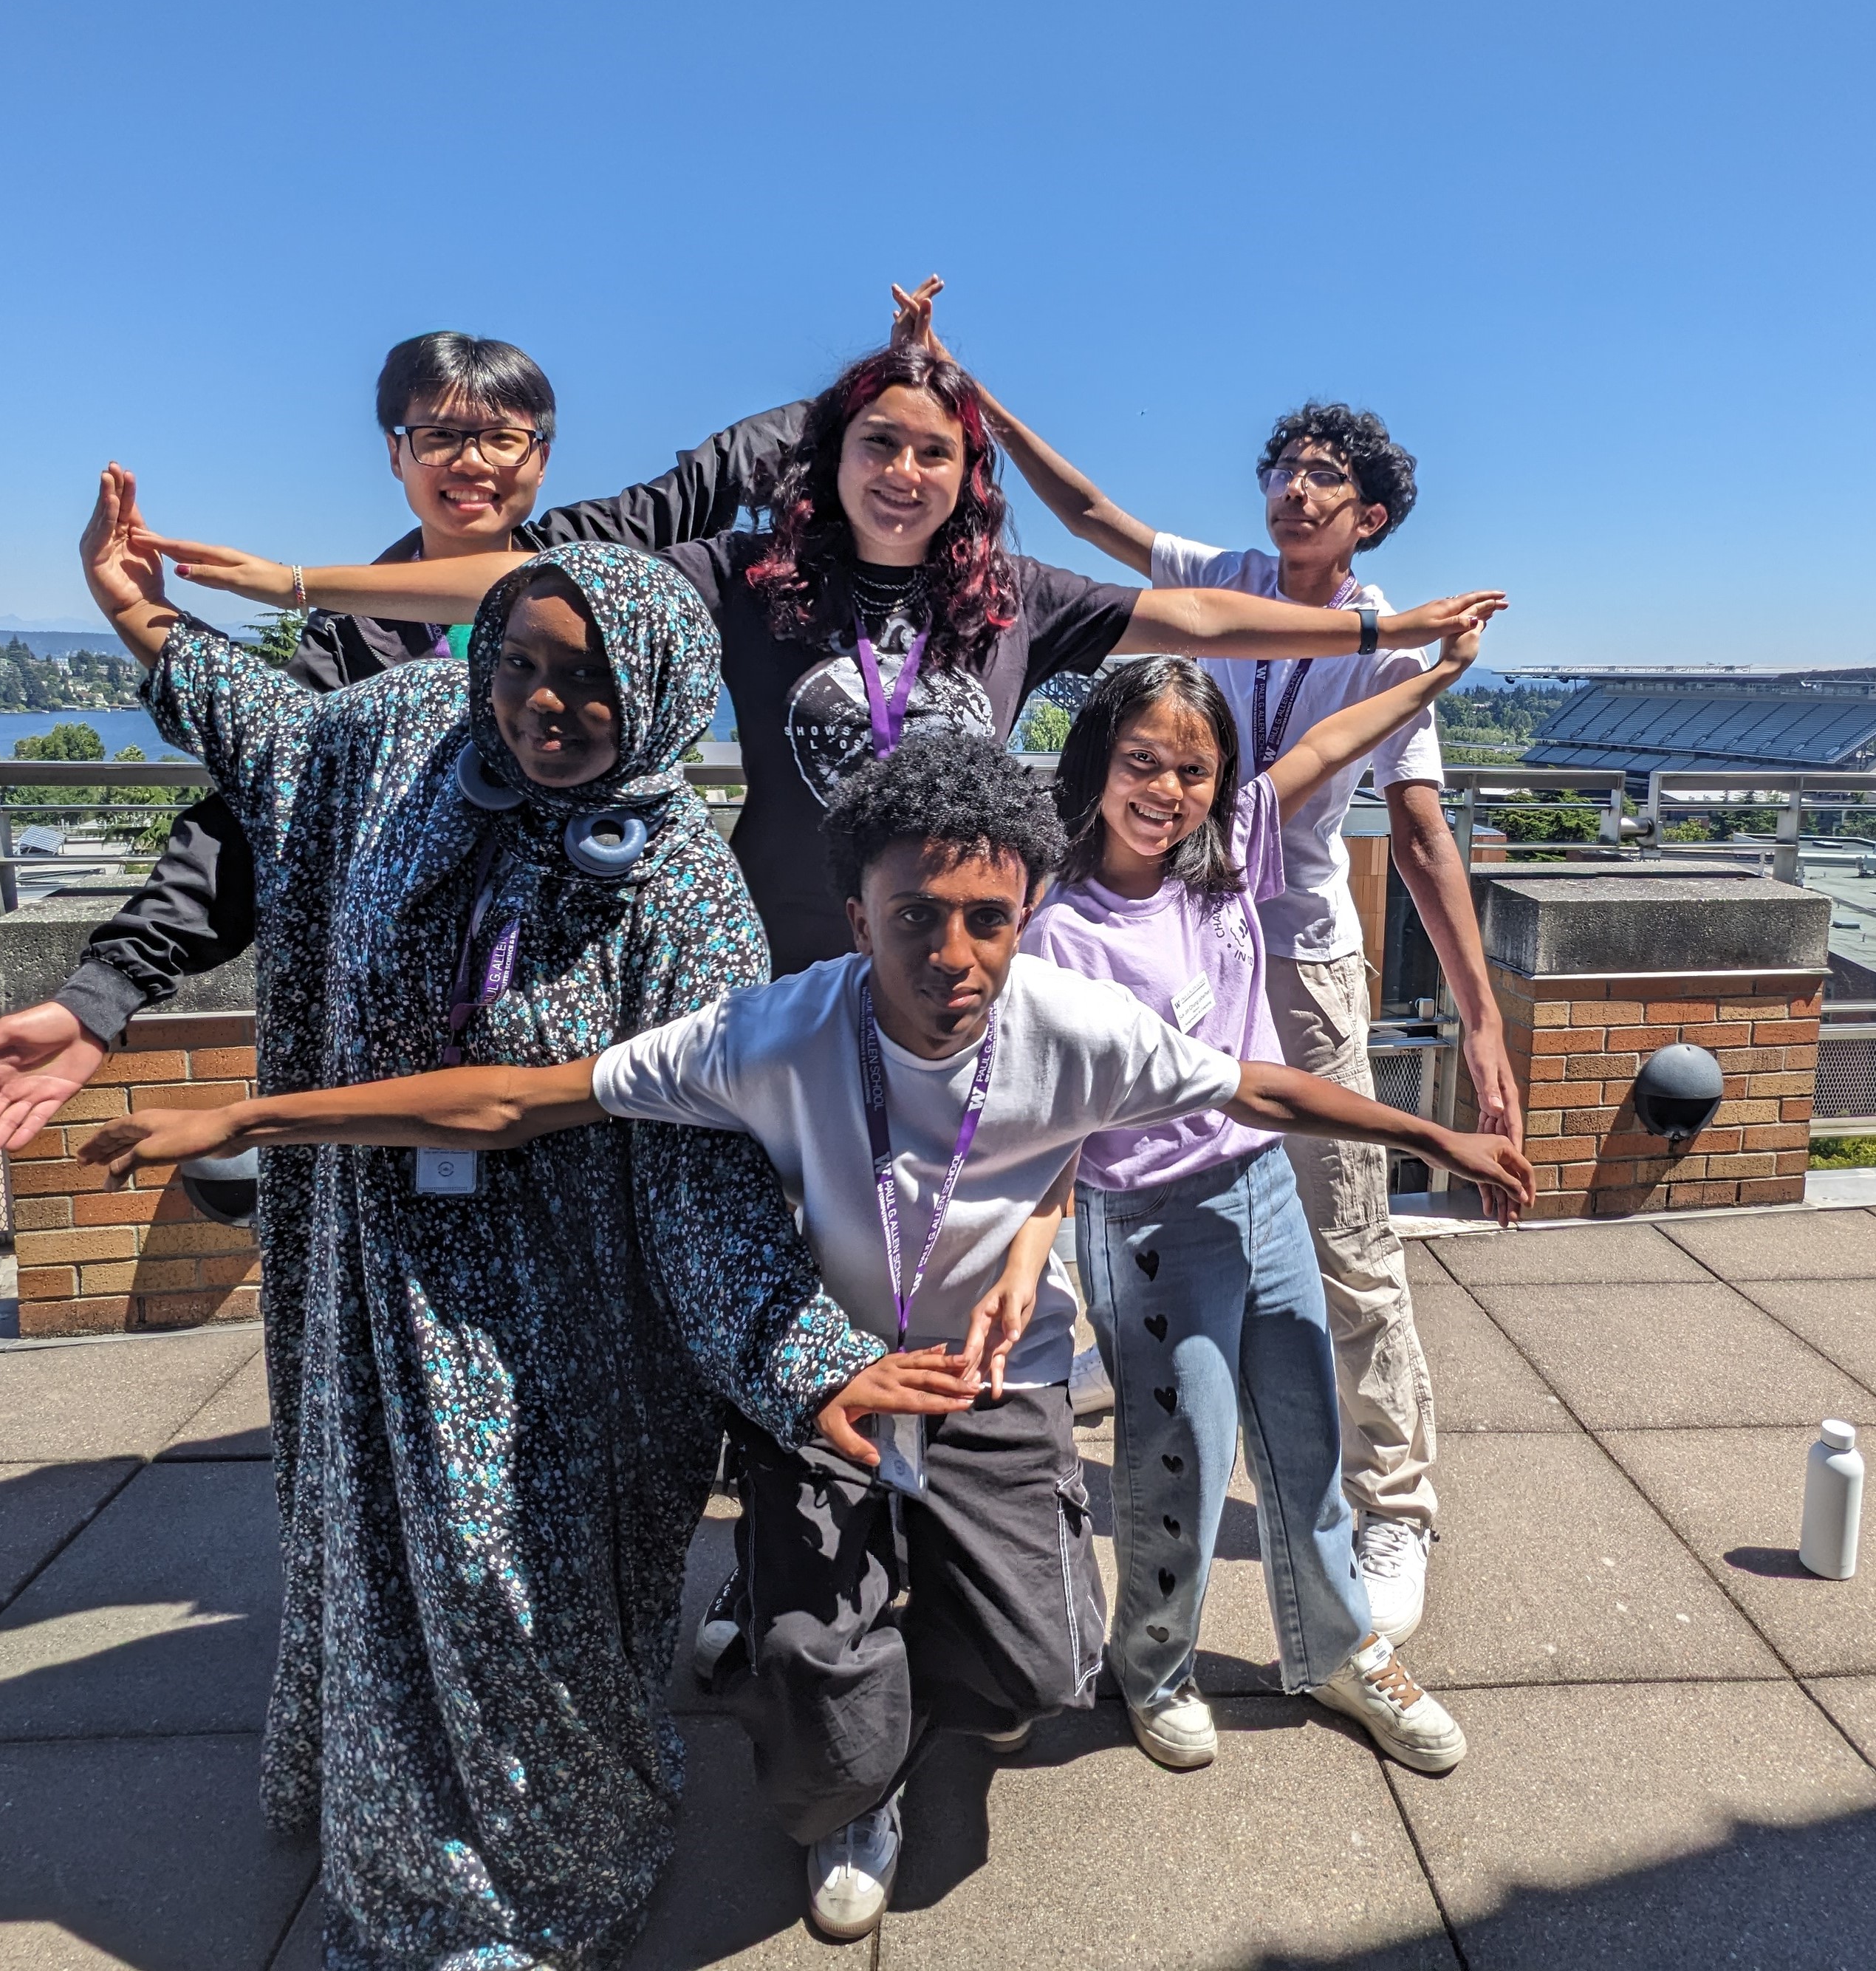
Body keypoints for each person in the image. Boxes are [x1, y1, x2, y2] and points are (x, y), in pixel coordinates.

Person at [87, 737, 1533, 1943]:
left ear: (1027, 908)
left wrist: (1434, 1136)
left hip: (989, 1387)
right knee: (823, 1716)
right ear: (857, 913)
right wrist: (245, 1117)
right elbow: (516, 1098)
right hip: (824, 1394)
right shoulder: (772, 1032)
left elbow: (1263, 1089)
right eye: (918, 916)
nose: (955, 955)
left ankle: (909, 1643)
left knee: (1038, 1674)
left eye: (989, 916)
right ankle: (854, 1780)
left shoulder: (1078, 1029)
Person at [30, 482, 976, 1968]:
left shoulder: (683, 895)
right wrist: (136, 610)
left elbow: (711, 1173)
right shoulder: (404, 749)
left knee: (515, 1596)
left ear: (659, 684)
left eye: (590, 676)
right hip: (382, 1279)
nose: (549, 703)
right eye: (523, 664)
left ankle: (542, 1868)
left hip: (574, 1322)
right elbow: (267, 739)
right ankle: (398, 1841)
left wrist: (811, 1368)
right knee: (387, 1568)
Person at [128, 306, 1507, 974]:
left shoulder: (1015, 595)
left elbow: (1205, 614)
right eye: (876, 441)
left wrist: (1377, 619)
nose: (903, 470)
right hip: (787, 946)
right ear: (830, 456)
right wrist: (305, 582)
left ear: (966, 478)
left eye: (931, 451)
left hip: (971, 949)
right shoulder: (742, 574)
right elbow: (536, 581)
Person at [909, 291, 1519, 1645]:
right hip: (1152, 931)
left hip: (1293, 953)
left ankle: (1390, 1494)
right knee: (1097, 1179)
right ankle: (1083, 1438)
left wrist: (1476, 1018)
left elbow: (1414, 833)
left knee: (1348, 1235)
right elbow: (1087, 517)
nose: (1294, 487)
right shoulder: (1221, 573)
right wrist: (968, 391)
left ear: (1368, 516)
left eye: (1326, 476)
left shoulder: (1397, 634)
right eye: (1283, 465)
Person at [0, 329, 808, 1169]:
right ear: (396, 453)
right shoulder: (352, 649)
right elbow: (253, 817)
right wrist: (102, 997)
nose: (471, 463)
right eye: (439, 437)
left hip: (590, 1012)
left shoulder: (596, 558)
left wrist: (907, 377)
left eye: (502, 438)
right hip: (415, 1029)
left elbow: (726, 465)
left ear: (540, 455)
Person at [1021, 624, 1497, 1776]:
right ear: (1093, 764)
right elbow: (1054, 1120)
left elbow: (1329, 740)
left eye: (1193, 769)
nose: (1169, 792)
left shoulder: (1230, 849)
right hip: (1148, 1224)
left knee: (1305, 1433)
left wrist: (1428, 678)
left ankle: (1339, 1646)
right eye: (1141, 762)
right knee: (1175, 1455)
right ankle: (1155, 1664)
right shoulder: (1060, 929)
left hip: (1260, 1190)